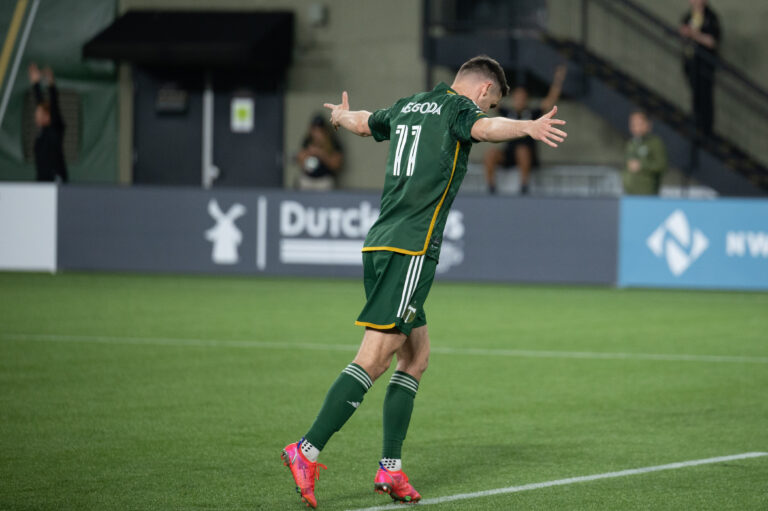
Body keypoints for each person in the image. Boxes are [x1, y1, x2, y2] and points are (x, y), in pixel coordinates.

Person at [280, 55, 567, 508]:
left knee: (416, 357)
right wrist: (527, 127)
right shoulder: (459, 109)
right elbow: (486, 131)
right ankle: (306, 449)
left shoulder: (410, 104)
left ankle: (390, 470)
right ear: (484, 91)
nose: (486, 112)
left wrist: (337, 115)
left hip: (381, 244)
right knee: (375, 358)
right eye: (490, 104)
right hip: (412, 249)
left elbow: (361, 122)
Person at [483, 64, 567, 195]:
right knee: (491, 153)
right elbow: (491, 100)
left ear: (526, 99)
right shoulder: (508, 113)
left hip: (527, 156)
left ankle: (524, 186)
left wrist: (558, 80)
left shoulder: (532, 114)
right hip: (509, 155)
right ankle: (491, 187)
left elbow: (550, 100)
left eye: (522, 97)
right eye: (517, 97)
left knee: (522, 150)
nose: (519, 100)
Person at [679, 0, 721, 135]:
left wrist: (694, 34)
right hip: (691, 62)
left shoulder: (711, 17)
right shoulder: (687, 16)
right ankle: (696, 124)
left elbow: (712, 41)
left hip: (705, 65)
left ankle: (706, 130)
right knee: (696, 95)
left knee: (706, 97)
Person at [28, 63, 68, 183]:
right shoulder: (43, 132)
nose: (36, 115)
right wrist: (36, 82)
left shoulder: (55, 128)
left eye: (39, 113)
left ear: (47, 116)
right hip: (41, 181)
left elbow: (53, 106)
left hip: (55, 180)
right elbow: (41, 104)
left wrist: (50, 84)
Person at [623, 110, 667, 195]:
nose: (636, 127)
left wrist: (642, 166)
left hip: (647, 194)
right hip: (629, 194)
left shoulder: (655, 142)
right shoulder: (631, 143)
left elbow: (662, 165)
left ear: (648, 125)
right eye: (633, 124)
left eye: (639, 124)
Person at [296, 114, 344, 191]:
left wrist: (321, 153)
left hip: (324, 180)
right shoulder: (307, 141)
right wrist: (309, 152)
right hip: (308, 179)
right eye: (315, 130)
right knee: (302, 181)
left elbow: (336, 165)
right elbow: (300, 160)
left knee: (327, 184)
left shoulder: (332, 142)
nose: (317, 133)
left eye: (320, 130)